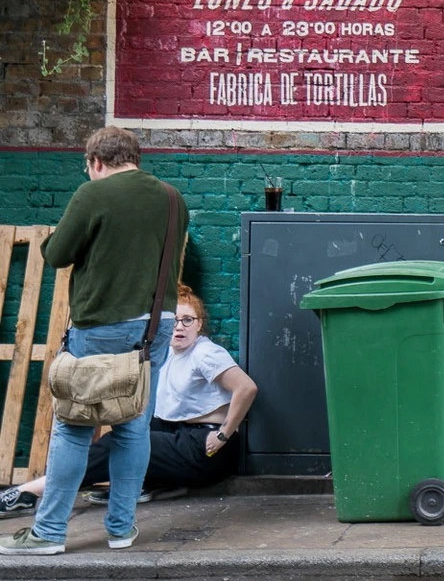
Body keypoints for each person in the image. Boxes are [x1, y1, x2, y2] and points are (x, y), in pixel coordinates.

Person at [0, 127, 187, 556]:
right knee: (133, 426)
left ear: (96, 162)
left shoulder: (92, 194)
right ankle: (121, 529)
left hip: (103, 325)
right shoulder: (174, 199)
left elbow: (56, 254)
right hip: (155, 326)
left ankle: (48, 533)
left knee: (74, 426)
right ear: (135, 158)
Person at [0, 286, 256, 517]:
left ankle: (29, 492)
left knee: (119, 444)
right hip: (178, 434)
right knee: (131, 429)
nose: (180, 327)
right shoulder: (166, 352)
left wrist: (223, 434)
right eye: (175, 320)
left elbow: (246, 388)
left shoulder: (205, 353)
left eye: (188, 320)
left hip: (206, 448)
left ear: (199, 325)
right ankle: (150, 483)